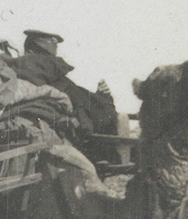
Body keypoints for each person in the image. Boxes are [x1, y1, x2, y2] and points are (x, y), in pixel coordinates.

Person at [9, 30, 118, 163]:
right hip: (65, 119)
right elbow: (80, 98)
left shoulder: (15, 68)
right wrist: (103, 97)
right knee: (104, 112)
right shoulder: (50, 68)